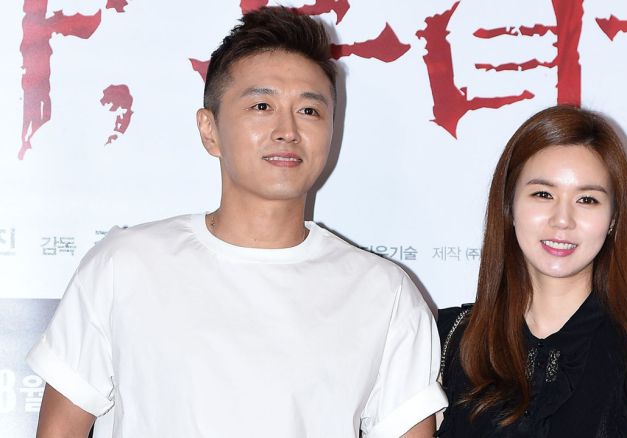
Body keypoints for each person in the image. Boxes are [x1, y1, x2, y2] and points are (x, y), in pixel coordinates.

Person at [27, 7, 446, 437]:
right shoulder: (125, 265)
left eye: (309, 110)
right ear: (209, 130)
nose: (287, 130)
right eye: (262, 105)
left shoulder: (384, 293)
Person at [436, 105, 627, 437]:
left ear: (613, 219)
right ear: (509, 205)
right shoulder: (447, 340)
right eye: (543, 194)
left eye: (587, 200)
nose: (562, 220)